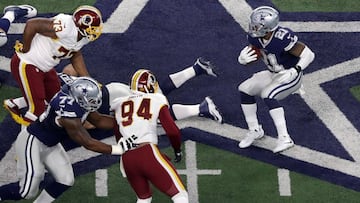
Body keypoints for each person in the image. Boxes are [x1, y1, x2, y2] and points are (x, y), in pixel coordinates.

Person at [0, 76, 135, 202]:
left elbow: (99, 120)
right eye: (92, 100)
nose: (96, 103)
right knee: (26, 191)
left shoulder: (77, 100)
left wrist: (128, 122)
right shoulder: (68, 112)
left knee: (65, 180)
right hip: (33, 141)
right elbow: (88, 143)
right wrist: (119, 149)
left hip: (50, 144)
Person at [4, 57, 224, 126]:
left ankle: (201, 107)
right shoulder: (56, 80)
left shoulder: (55, 98)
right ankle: (196, 69)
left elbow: (89, 124)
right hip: (109, 90)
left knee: (155, 115)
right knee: (155, 101)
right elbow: (69, 68)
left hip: (111, 100)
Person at [5, 5, 103, 126]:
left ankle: (15, 104)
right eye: (92, 28)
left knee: (57, 99)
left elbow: (74, 53)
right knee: (37, 110)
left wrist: (88, 79)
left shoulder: (83, 36)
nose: (94, 30)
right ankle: (27, 138)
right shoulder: (65, 27)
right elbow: (32, 24)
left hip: (46, 67)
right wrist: (26, 48)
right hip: (28, 64)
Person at [237, 6, 315, 153]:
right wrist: (243, 60)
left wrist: (295, 70)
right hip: (273, 73)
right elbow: (256, 56)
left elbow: (309, 54)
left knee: (268, 94)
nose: (253, 27)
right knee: (244, 89)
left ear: (268, 27)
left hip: (289, 76)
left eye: (257, 25)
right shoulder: (255, 37)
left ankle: (285, 138)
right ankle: (255, 129)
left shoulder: (282, 38)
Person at [111, 69, 188, 203]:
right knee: (180, 196)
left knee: (143, 199)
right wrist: (177, 149)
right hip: (147, 152)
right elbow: (172, 131)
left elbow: (118, 134)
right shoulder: (156, 99)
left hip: (127, 158)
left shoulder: (119, 103)